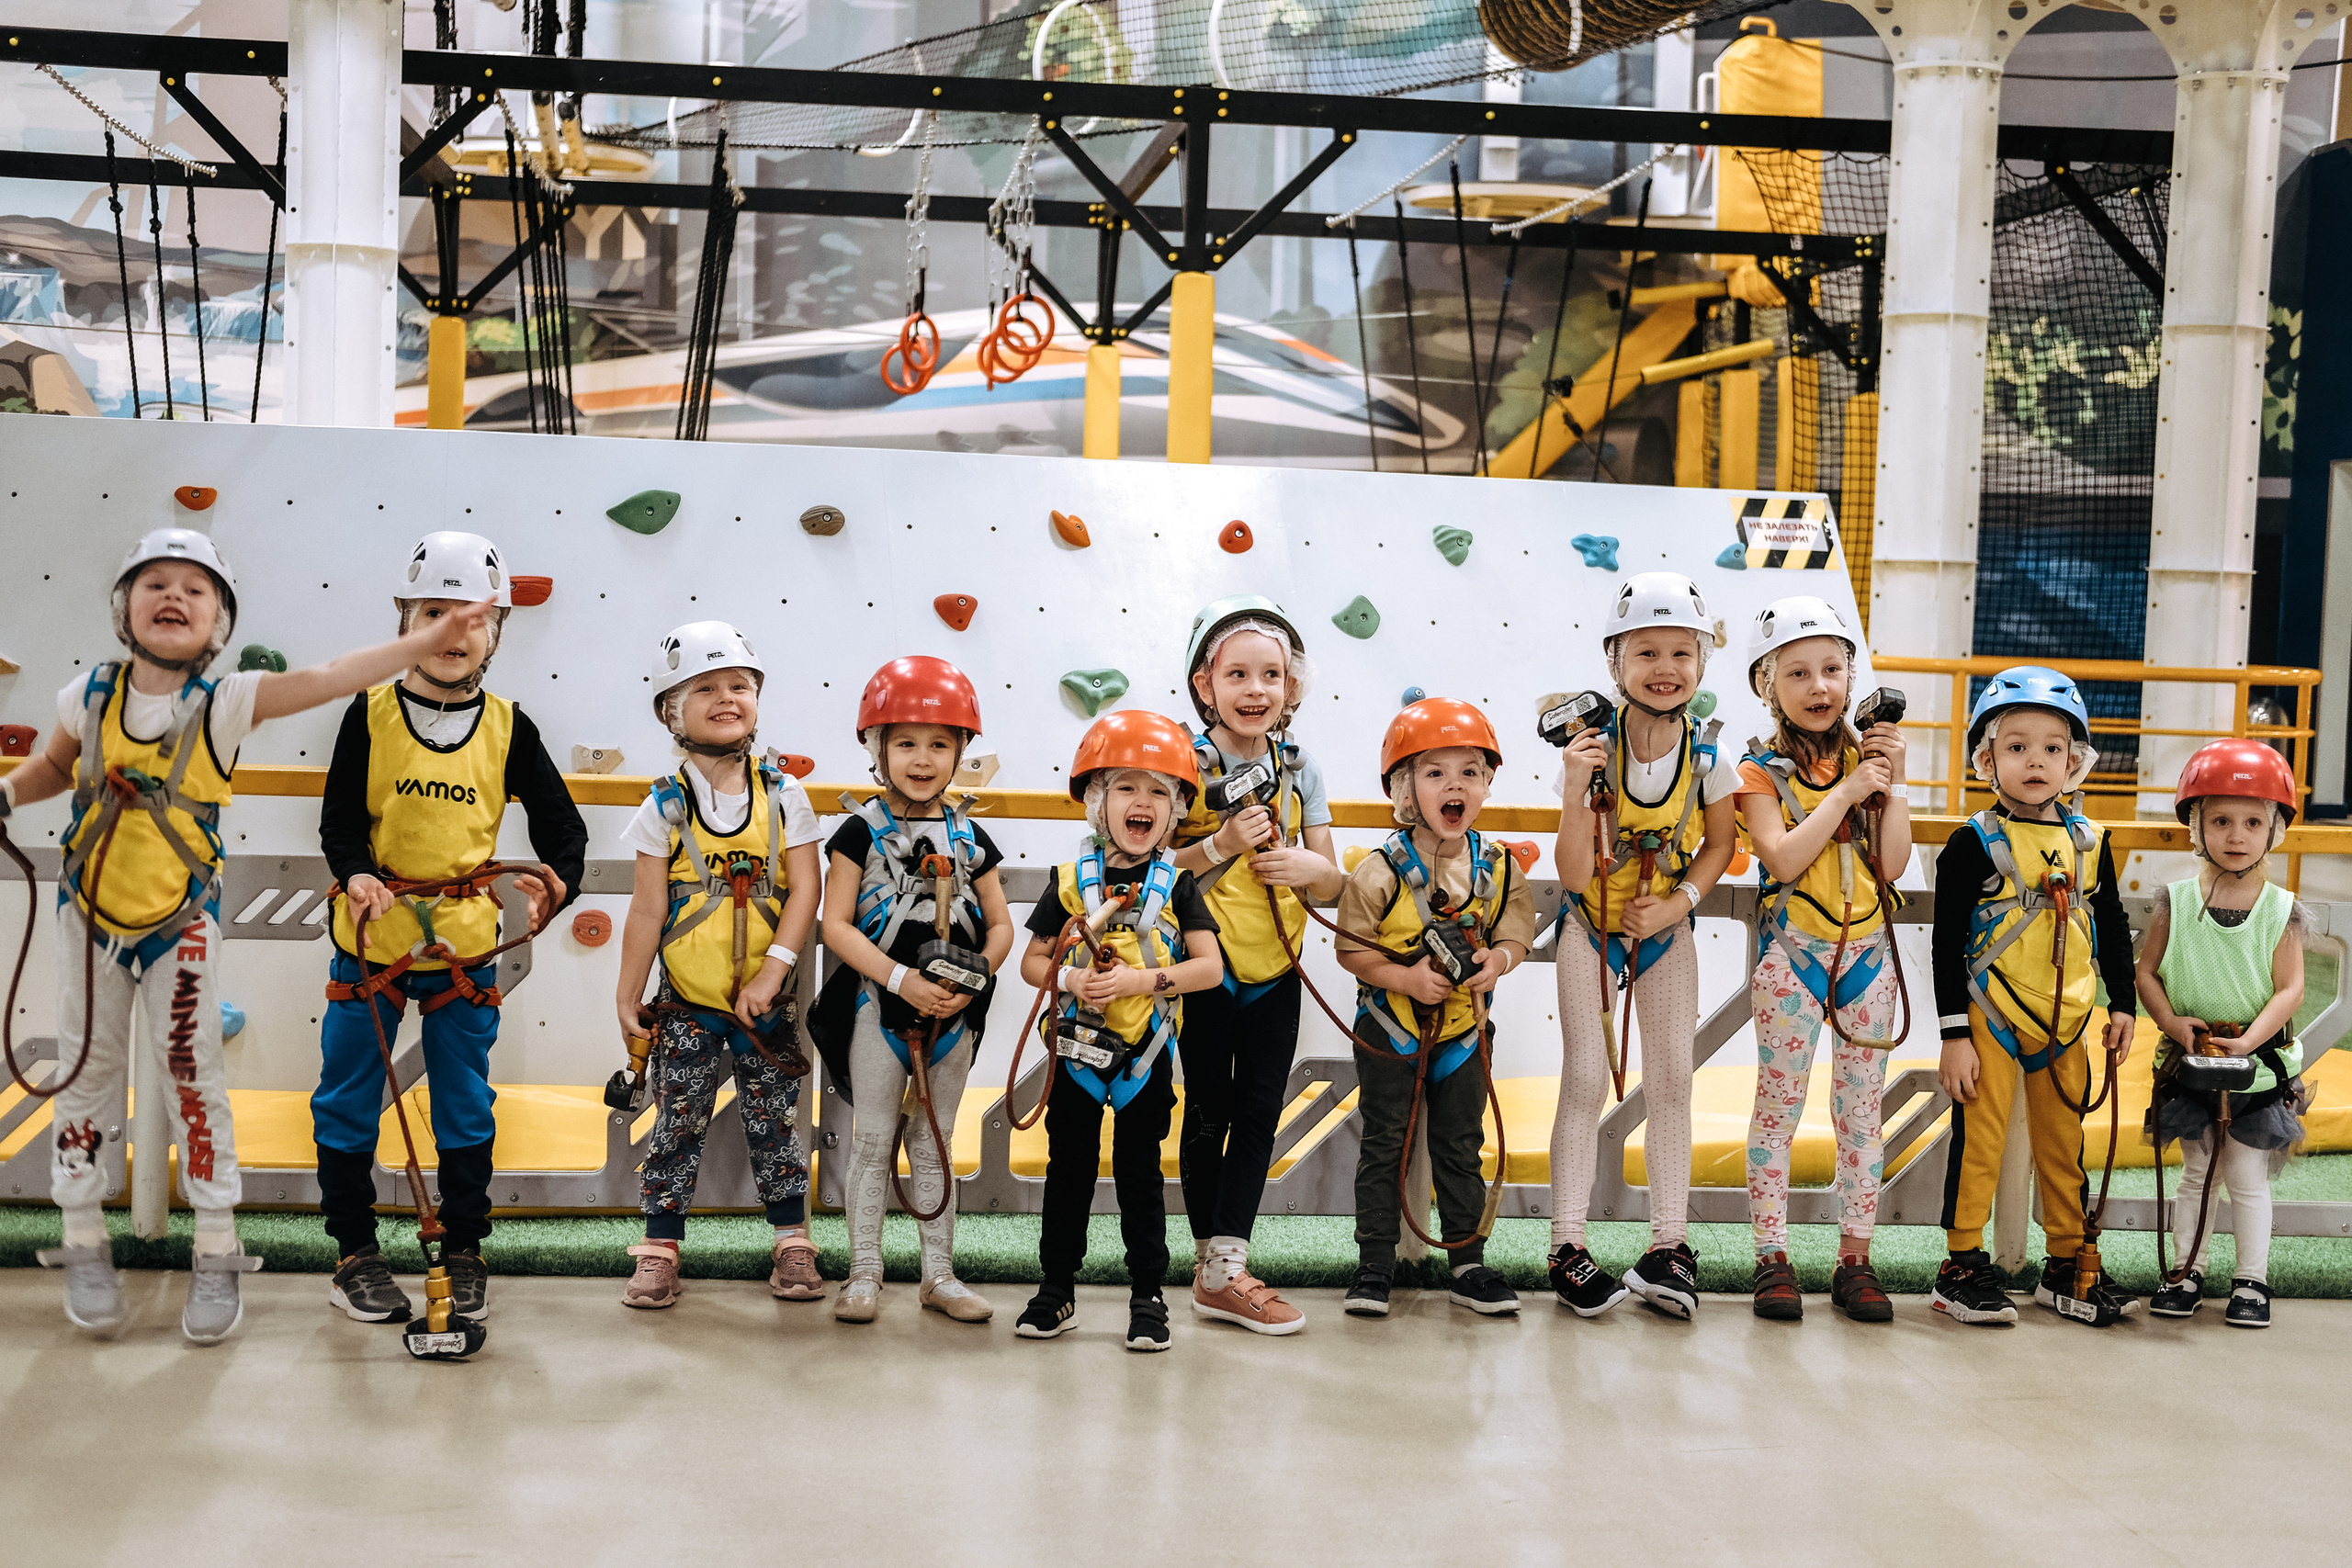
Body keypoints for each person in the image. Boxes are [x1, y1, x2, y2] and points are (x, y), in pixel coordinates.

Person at [3, 527, 501, 1343]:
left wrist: (422, 641)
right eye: (155, 582)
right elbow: (56, 768)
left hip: (180, 922)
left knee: (191, 1080)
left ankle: (215, 1248)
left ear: (220, 620)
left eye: (195, 588)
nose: (174, 595)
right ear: (124, 606)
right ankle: (83, 1238)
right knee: (86, 1074)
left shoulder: (227, 700)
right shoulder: (84, 697)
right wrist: (7, 795)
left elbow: (329, 676)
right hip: (87, 917)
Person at [312, 532, 584, 1327]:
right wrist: (356, 872)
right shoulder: (368, 715)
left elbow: (563, 829)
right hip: (372, 942)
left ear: (496, 632)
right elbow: (339, 822)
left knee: (465, 1103)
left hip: (463, 950)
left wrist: (557, 882)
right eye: (434, 612)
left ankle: (463, 1248)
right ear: (405, 621)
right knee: (347, 1098)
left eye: (472, 617)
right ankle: (353, 1253)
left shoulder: (508, 727)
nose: (453, 630)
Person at [614, 622, 823, 1311]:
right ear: (672, 711)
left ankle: (792, 1240)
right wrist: (627, 994)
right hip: (687, 1002)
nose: (727, 698)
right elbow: (647, 909)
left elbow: (806, 890)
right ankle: (659, 1248)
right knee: (675, 1123)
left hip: (767, 1003)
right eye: (705, 688)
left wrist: (772, 974)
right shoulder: (663, 806)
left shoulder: (784, 796)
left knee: (777, 1125)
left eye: (740, 685)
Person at [1547, 572, 1740, 1320]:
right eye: (1646, 652)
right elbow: (1572, 874)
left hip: (1666, 934)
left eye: (1681, 653)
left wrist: (1678, 904)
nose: (1665, 668)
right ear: (1614, 661)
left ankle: (1669, 1246)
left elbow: (1719, 845)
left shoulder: (1708, 755)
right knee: (1584, 1080)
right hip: (1590, 927)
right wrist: (1575, 789)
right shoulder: (1589, 751)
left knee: (1671, 1083)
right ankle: (1567, 1245)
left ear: (1702, 662)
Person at [1929, 667, 2139, 1327]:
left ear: (2075, 761)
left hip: (2065, 1019)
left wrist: (2123, 1004)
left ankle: (2068, 1261)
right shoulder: (1972, 844)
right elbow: (1944, 943)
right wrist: (1954, 1034)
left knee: (2062, 1140)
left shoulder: (2089, 843)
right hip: (1990, 1012)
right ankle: (1963, 1262)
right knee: (1980, 1138)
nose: (2036, 761)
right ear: (1987, 760)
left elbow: (2112, 927)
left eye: (2053, 748)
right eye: (2016, 747)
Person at [1014, 711, 1224, 1351]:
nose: (1144, 801)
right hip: (1076, 1052)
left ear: (1177, 808)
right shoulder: (1068, 884)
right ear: (1097, 802)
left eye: (1160, 791)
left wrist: (1140, 982)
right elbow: (1032, 963)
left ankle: (1148, 1293)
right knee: (1068, 1171)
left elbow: (1209, 969)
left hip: (1144, 1056)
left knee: (1140, 1174)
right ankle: (1056, 1287)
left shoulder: (1178, 885)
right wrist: (1072, 980)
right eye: (1127, 787)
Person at [814, 657, 1013, 1325]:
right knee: (873, 1144)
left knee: (934, 1142)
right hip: (879, 1009)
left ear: (960, 752)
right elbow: (835, 925)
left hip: (953, 1019)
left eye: (938, 744)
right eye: (905, 743)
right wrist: (901, 980)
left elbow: (1001, 926)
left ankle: (940, 1276)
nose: (922, 759)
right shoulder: (857, 833)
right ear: (878, 749)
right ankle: (863, 1273)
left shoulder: (970, 838)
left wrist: (971, 985)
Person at [1734, 596, 1911, 1323]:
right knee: (1777, 1111)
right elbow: (1781, 857)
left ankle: (1855, 1258)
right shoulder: (1758, 771)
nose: (1819, 686)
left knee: (1861, 1115)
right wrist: (1847, 792)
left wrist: (1892, 783)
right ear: (1767, 684)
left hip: (1869, 956)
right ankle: (1771, 1255)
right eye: (1798, 672)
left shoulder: (1870, 764)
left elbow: (1891, 865)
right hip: (1793, 957)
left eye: (1833, 669)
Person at [1170, 594, 1339, 1336]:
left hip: (1276, 968)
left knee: (1259, 1114)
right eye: (1237, 673)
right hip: (1205, 967)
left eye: (1270, 674)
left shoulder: (1300, 767)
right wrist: (1220, 845)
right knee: (1207, 1111)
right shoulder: (1178, 762)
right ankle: (1212, 1263)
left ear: (1291, 684)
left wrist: (1307, 865)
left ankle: (1226, 1264)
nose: (1255, 689)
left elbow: (1331, 879)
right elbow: (1140, 866)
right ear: (1204, 683)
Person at [1335, 699, 1534, 1320]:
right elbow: (1350, 949)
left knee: (1460, 1145)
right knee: (1384, 1144)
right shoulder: (1379, 871)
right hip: (1390, 1028)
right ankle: (1375, 1262)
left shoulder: (1498, 867)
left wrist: (1499, 960)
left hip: (1464, 1033)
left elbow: (1517, 931)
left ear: (1486, 784)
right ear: (1404, 788)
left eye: (1470, 772)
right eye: (1435, 772)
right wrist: (1404, 978)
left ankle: (1468, 1263)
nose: (1455, 785)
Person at [2136, 739, 2308, 1330]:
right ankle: (2186, 1272)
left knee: (2245, 1177)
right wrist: (2171, 1023)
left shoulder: (2280, 909)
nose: (2237, 835)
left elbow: (2290, 989)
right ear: (2196, 826)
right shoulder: (2176, 902)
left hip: (2256, 1070)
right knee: (2196, 1173)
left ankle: (2251, 1281)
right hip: (2190, 1065)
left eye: (2253, 822)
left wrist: (2251, 1041)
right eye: (2221, 821)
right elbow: (2147, 973)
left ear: (2274, 829)